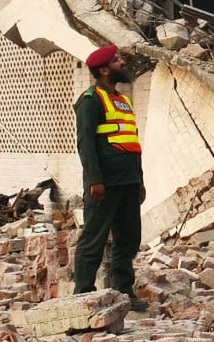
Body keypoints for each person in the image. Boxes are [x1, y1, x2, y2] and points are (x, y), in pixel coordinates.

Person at [73, 44, 149, 311]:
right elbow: (85, 144)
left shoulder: (122, 100)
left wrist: (139, 181)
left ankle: (124, 293)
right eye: (117, 60)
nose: (122, 62)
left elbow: (131, 143)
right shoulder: (90, 100)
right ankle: (83, 295)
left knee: (128, 240)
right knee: (93, 240)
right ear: (104, 70)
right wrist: (94, 180)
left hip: (128, 182)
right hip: (105, 185)